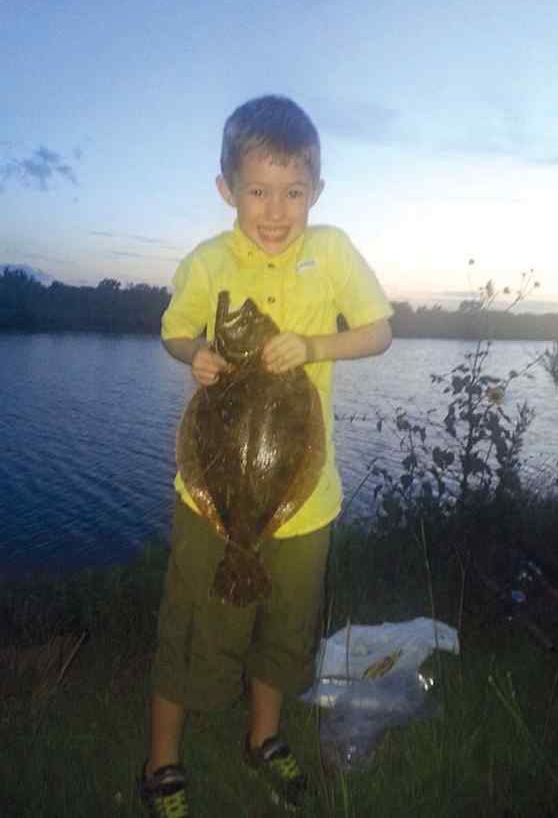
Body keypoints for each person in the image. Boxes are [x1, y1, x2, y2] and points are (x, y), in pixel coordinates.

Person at [140, 94, 393, 817]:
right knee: (194, 626)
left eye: (294, 192)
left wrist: (314, 346)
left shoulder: (334, 250)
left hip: (303, 496)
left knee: (286, 628)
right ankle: (162, 762)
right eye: (257, 191)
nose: (276, 211)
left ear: (317, 191)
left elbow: (376, 332)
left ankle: (265, 738)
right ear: (227, 190)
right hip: (211, 499)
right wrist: (199, 355)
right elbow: (174, 333)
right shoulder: (207, 261)